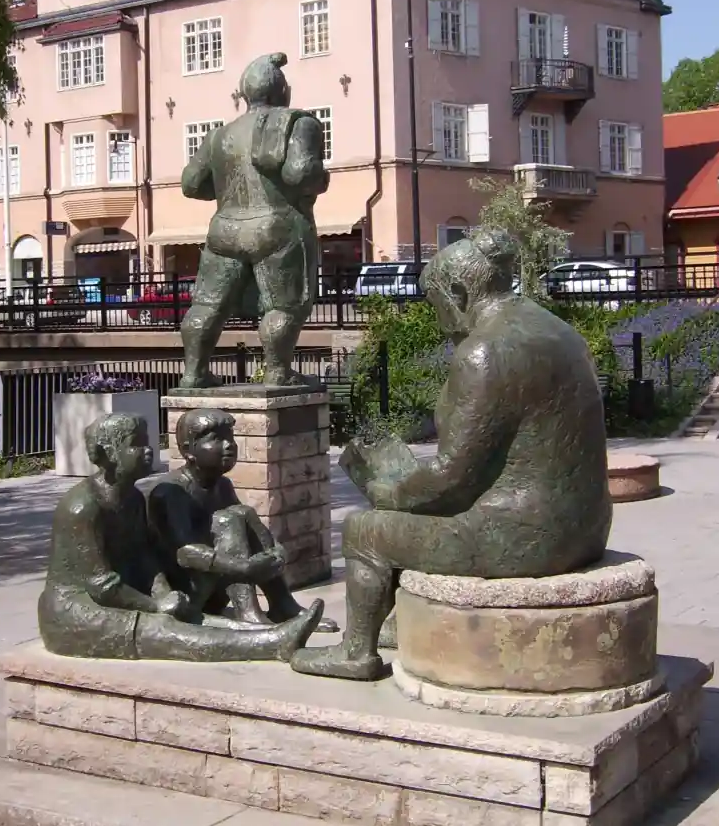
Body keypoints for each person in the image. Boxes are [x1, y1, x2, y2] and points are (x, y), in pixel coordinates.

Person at [292, 229, 612, 681]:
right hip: (587, 526)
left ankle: (354, 653)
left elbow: (450, 479)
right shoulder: (558, 331)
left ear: (459, 294)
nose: (437, 315)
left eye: (435, 301)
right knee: (411, 508)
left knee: (365, 530)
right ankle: (400, 622)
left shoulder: (483, 351)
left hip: (528, 538)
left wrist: (387, 489)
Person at [38, 412, 322, 662]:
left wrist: (163, 593)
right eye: (136, 444)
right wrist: (155, 605)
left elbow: (144, 557)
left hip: (118, 597)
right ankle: (272, 644)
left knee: (188, 617)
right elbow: (102, 586)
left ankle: (268, 630)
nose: (149, 451)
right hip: (75, 612)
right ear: (107, 454)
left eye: (148, 443)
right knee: (166, 632)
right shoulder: (83, 508)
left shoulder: (134, 498)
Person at [176, 52, 329, 389]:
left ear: (244, 94)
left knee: (207, 304)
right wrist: (320, 178)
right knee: (285, 304)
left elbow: (191, 183)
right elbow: (300, 172)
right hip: (278, 226)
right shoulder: (299, 123)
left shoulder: (218, 136)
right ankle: (278, 371)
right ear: (283, 91)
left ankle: (193, 373)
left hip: (225, 229)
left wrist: (225, 190)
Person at [147, 408, 336, 631]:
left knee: (242, 514)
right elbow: (185, 552)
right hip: (186, 594)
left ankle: (282, 604)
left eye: (230, 437)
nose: (229, 445)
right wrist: (242, 567)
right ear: (188, 450)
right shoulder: (170, 492)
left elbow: (249, 528)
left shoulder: (222, 486)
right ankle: (249, 614)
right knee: (230, 519)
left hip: (216, 581)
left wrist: (275, 551)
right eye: (216, 439)